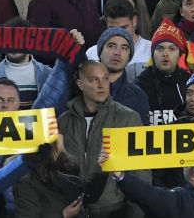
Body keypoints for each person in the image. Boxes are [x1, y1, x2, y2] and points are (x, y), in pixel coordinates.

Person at [60, 60, 147, 217]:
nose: (102, 85)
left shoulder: (128, 118)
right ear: (80, 84)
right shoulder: (64, 121)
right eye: (95, 79)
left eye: (105, 78)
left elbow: (142, 175)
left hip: (115, 212)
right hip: (73, 211)